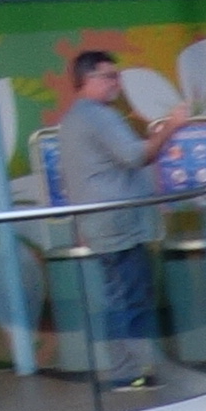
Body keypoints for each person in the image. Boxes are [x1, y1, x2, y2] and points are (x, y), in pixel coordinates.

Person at [47, 47, 160, 384]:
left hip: (101, 223)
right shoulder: (97, 115)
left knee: (119, 295)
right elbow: (135, 156)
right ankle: (130, 372)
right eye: (109, 76)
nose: (117, 83)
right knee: (128, 297)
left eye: (117, 75)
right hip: (117, 223)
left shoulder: (75, 118)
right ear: (87, 79)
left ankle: (131, 369)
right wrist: (172, 130)